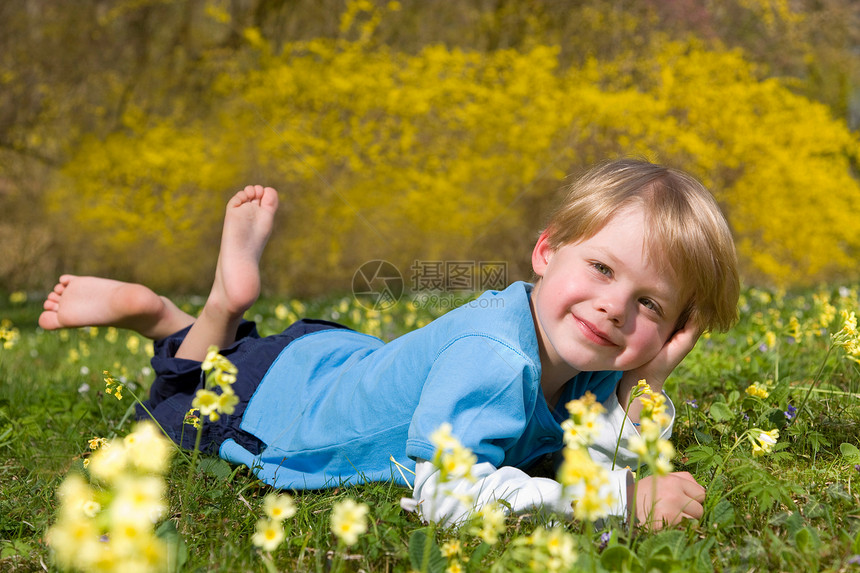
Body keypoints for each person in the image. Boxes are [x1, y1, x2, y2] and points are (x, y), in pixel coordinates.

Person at [39, 158, 740, 529]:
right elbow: (447, 496)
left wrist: (641, 388)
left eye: (650, 303)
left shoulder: (588, 355)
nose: (614, 306)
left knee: (229, 360)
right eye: (601, 268)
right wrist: (620, 499)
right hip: (283, 406)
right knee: (184, 404)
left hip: (342, 362)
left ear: (676, 328)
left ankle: (207, 312)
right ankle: (178, 312)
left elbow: (582, 458)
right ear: (546, 250)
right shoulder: (496, 361)